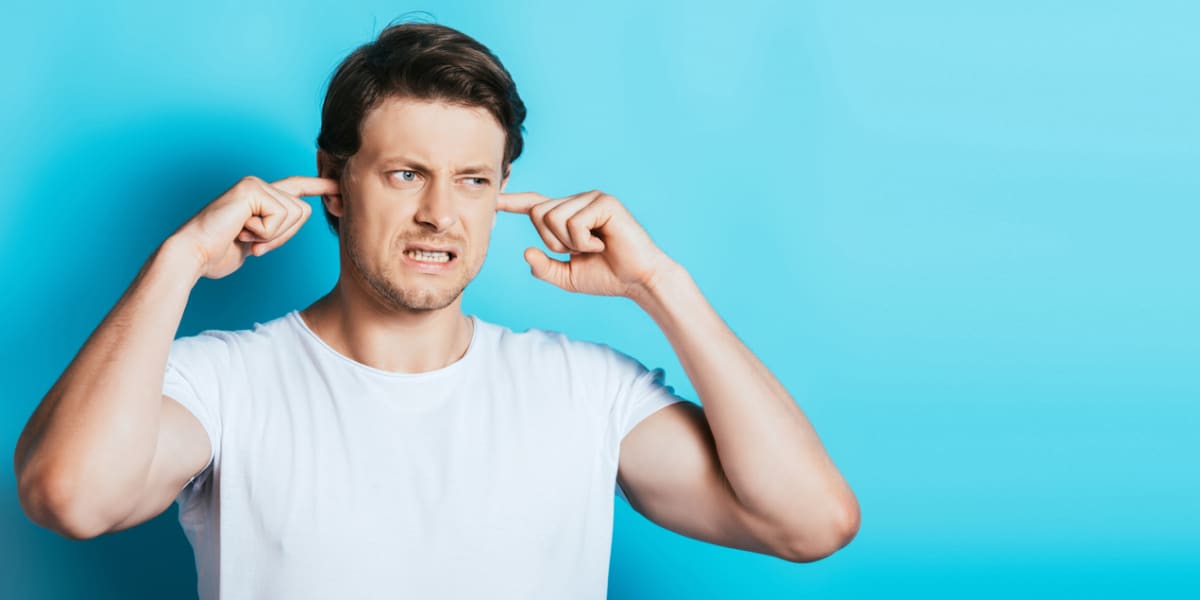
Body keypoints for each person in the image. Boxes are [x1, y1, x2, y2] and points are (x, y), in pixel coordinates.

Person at [14, 22, 859, 599]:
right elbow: (72, 498)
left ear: (500, 194)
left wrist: (662, 288)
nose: (439, 216)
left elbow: (809, 521)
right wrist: (180, 263)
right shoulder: (224, 380)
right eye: (405, 173)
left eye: (473, 180)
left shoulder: (584, 389)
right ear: (334, 181)